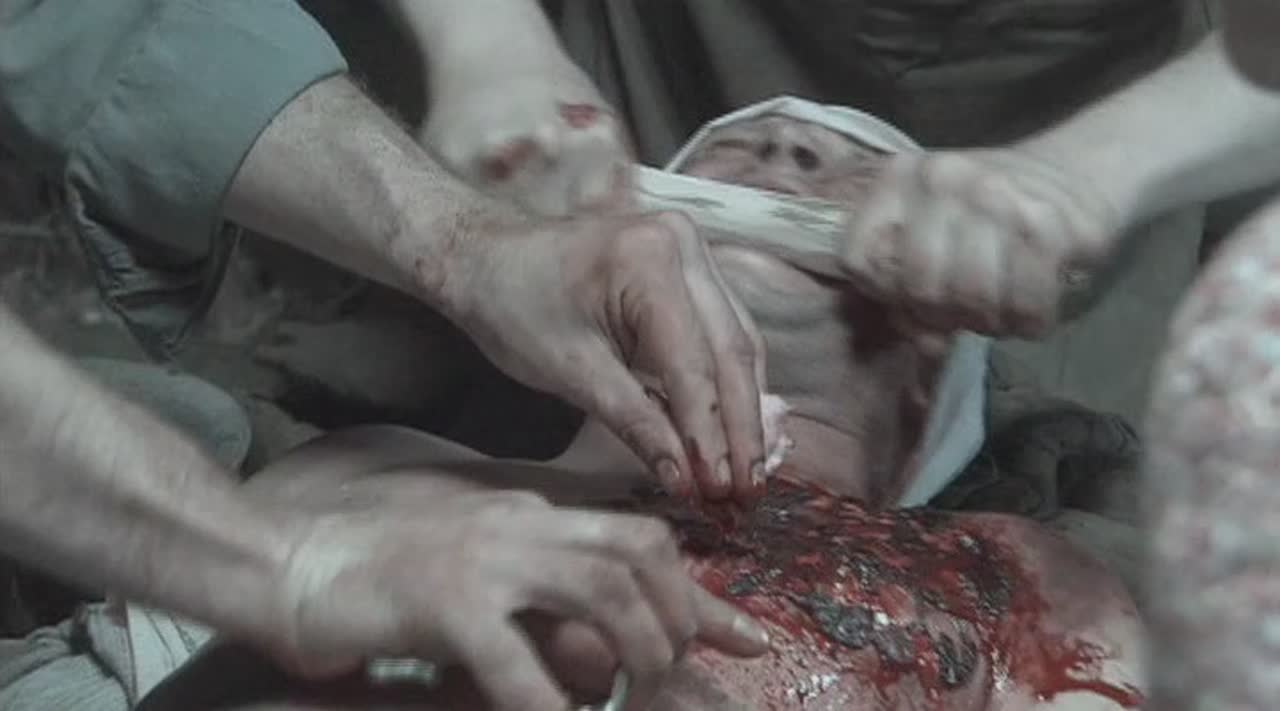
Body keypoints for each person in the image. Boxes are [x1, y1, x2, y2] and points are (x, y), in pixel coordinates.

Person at [3, 98, 1142, 711]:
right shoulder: (381, 471)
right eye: (732, 150)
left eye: (847, 166)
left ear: (940, 349)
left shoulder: (1009, 575)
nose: (781, 146)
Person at [0, 1, 778, 707]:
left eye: (823, 161)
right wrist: (288, 571)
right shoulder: (391, 473)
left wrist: (466, 245)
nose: (774, 151)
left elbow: (96, 23)